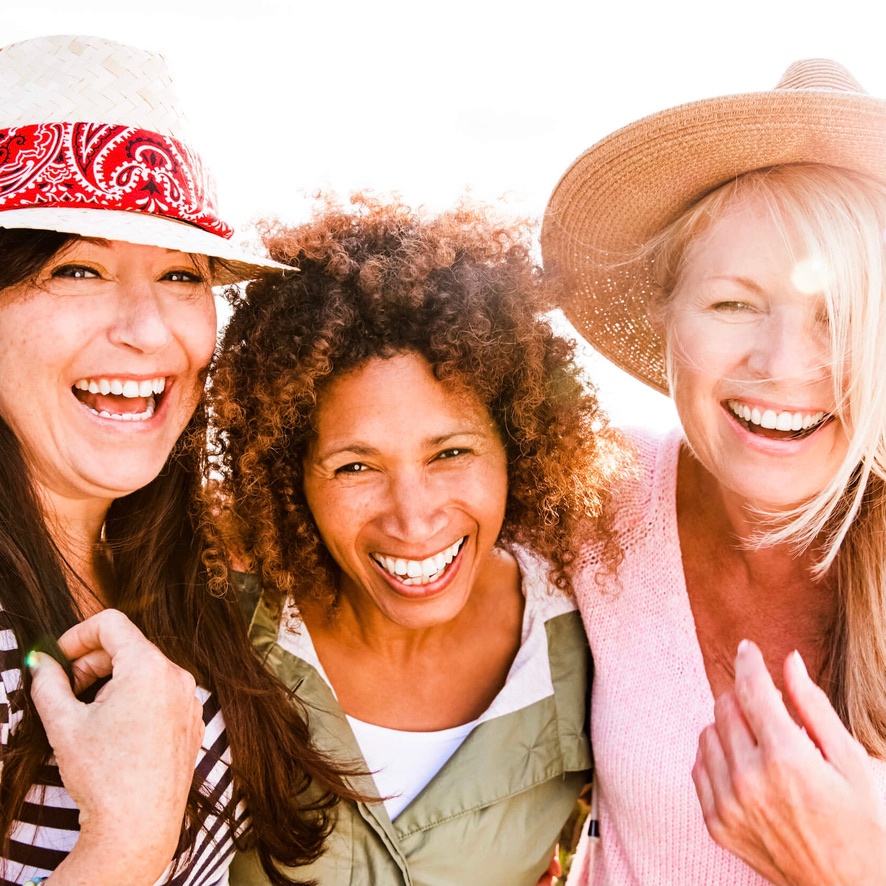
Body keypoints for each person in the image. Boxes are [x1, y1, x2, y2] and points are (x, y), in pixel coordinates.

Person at [0, 34, 356, 886]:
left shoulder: (174, 569)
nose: (150, 330)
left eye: (182, 277)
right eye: (77, 268)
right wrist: (128, 836)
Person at [199, 195, 627, 885]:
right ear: (289, 473)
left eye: (451, 453)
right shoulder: (218, 637)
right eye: (355, 466)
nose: (413, 517)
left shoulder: (586, 644)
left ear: (515, 444)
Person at [541, 59, 886, 885]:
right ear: (667, 310)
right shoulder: (590, 497)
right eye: (734, 303)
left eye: (840, 317)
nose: (782, 366)